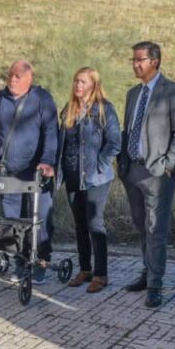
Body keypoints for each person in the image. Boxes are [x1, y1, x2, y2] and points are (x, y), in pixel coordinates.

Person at [118, 42, 175, 308]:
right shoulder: (133, 93)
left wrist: (169, 164)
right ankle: (147, 271)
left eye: (140, 60)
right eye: (133, 60)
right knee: (140, 225)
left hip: (158, 172)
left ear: (155, 61)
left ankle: (155, 284)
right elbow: (129, 129)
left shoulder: (173, 90)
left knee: (155, 228)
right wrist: (122, 164)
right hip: (133, 170)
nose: (135, 64)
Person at [0, 60, 58, 283]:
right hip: (9, 173)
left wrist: (47, 161)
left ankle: (41, 262)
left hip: (37, 174)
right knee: (13, 221)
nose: (12, 79)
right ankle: (21, 263)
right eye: (10, 75)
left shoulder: (42, 99)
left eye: (18, 76)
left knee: (40, 220)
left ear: (29, 79)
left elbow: (51, 132)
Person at [56, 67, 122, 293]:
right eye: (76, 81)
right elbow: (62, 144)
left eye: (83, 82)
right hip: (73, 176)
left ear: (93, 84)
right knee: (80, 224)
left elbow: (114, 143)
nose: (78, 85)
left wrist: (99, 167)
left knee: (95, 223)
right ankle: (85, 269)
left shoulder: (105, 109)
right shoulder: (68, 109)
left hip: (96, 179)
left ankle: (101, 274)